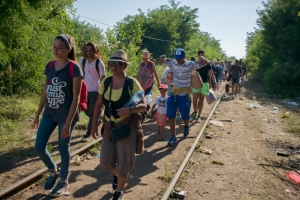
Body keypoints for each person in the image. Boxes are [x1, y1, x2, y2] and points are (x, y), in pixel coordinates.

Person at [90, 50, 146, 200]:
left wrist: (130, 109)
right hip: (109, 126)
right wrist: (94, 124)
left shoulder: (131, 82)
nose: (114, 67)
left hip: (127, 127)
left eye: (118, 64)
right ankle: (120, 175)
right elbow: (98, 104)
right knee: (105, 162)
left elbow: (144, 105)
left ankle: (119, 192)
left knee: (124, 162)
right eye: (111, 64)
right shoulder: (106, 82)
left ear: (124, 66)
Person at [33, 34, 83, 197]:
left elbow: (76, 97)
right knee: (39, 147)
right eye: (54, 47)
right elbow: (46, 91)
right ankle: (53, 170)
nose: (56, 50)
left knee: (63, 147)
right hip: (50, 113)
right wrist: (38, 113)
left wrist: (68, 123)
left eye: (60, 47)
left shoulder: (74, 68)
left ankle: (63, 181)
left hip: (66, 115)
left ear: (68, 49)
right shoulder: (49, 66)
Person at [163, 48, 200, 146]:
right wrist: (162, 58)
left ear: (184, 57)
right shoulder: (173, 63)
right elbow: (164, 61)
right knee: (171, 115)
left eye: (180, 59)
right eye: (177, 59)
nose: (178, 61)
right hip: (174, 94)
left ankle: (186, 126)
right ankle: (173, 136)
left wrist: (202, 60)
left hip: (185, 95)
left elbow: (200, 65)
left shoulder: (190, 64)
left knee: (185, 116)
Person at [80, 42, 106, 141]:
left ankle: (87, 134)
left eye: (91, 50)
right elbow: (80, 75)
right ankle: (98, 119)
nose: (89, 52)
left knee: (92, 112)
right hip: (85, 90)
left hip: (96, 90)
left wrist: (103, 92)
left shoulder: (99, 63)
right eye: (87, 50)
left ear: (95, 50)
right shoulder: (82, 61)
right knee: (86, 111)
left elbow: (103, 78)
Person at [192, 56, 218, 122]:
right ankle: (195, 111)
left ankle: (198, 116)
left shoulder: (207, 65)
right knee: (194, 98)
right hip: (196, 83)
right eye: (200, 62)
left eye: (203, 61)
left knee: (201, 99)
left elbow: (212, 74)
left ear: (204, 61)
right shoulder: (195, 65)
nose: (202, 63)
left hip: (205, 84)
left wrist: (215, 83)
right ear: (198, 61)